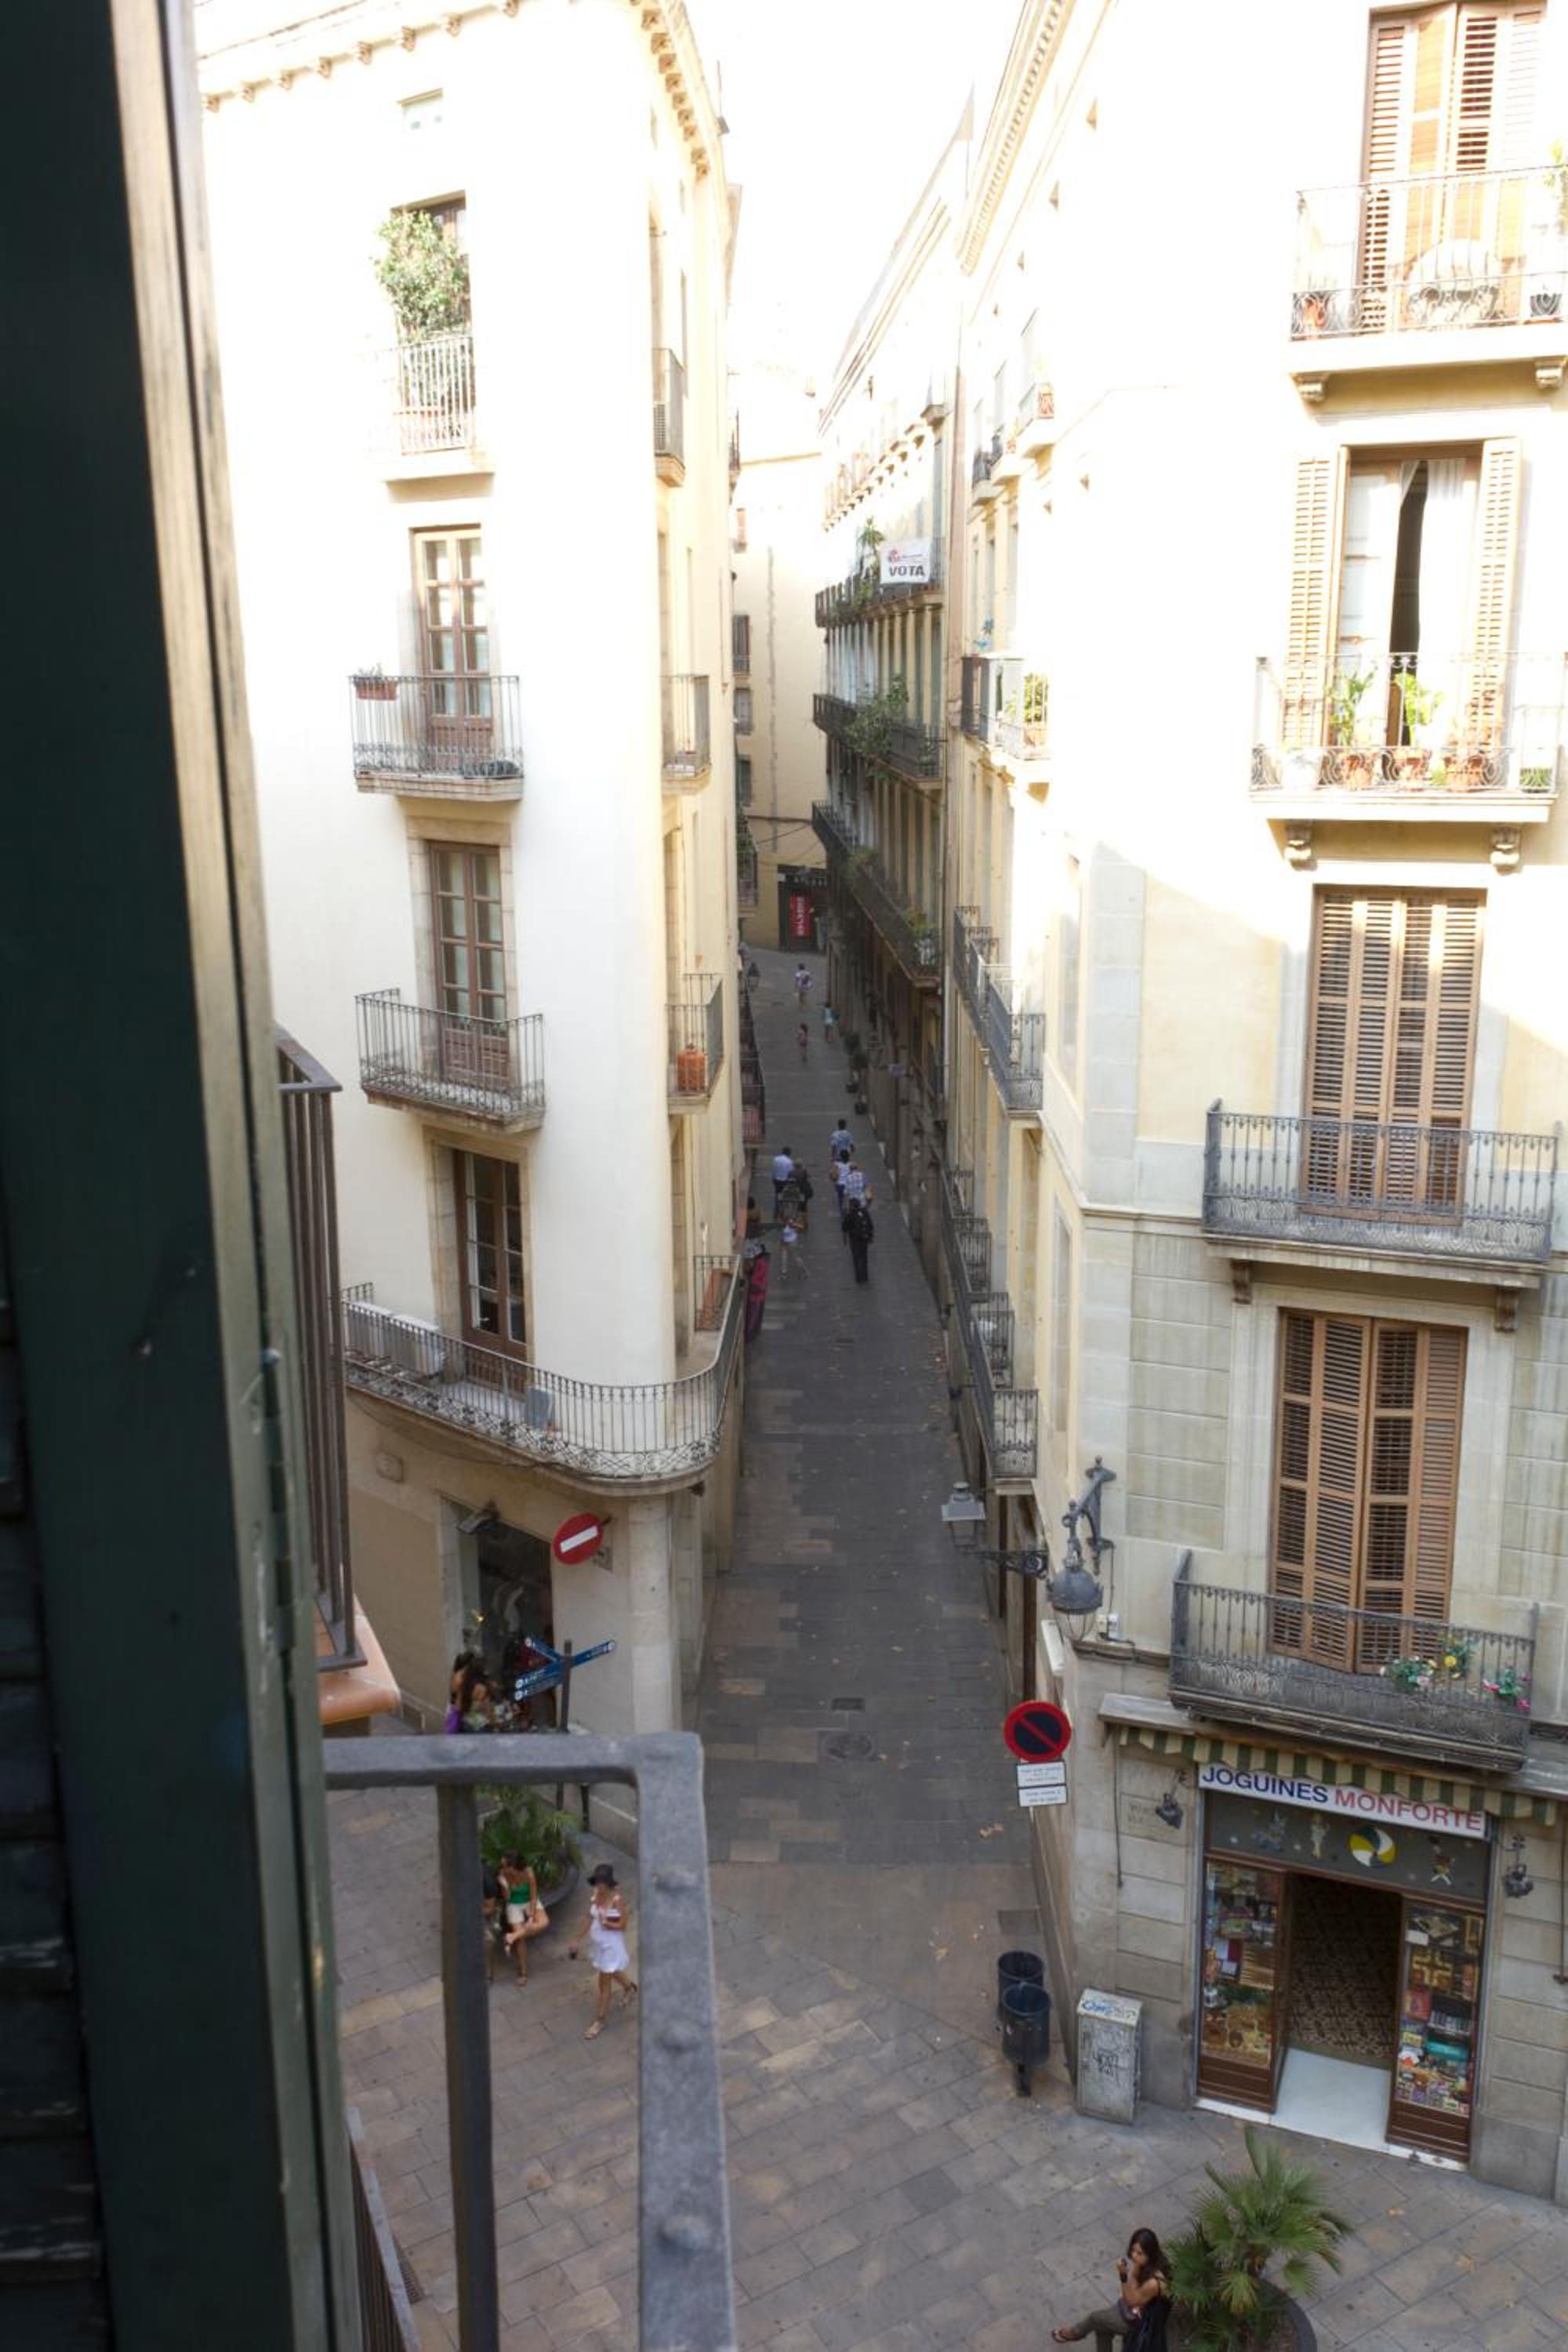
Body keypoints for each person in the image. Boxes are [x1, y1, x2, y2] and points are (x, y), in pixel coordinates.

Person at [1052, 2227, 1171, 2350]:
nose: (1134, 2256)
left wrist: (1123, 2276)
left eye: (1139, 2253)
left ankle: (1073, 2334)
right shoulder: (1151, 2262)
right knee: (1102, 2329)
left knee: (1095, 2318)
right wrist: (1136, 2269)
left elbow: (1130, 2300)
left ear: (1150, 2254)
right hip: (1136, 2308)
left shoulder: (1153, 2283)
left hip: (1136, 2323)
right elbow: (1135, 2287)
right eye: (1133, 2250)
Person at [568, 1862, 637, 2039]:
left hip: (610, 1947)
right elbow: (589, 1917)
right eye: (597, 1882)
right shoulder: (596, 1894)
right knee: (611, 1971)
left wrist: (607, 1924)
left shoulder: (616, 1901)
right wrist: (576, 1938)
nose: (598, 1886)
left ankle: (599, 2021)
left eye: (601, 1883)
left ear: (608, 1883)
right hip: (599, 1945)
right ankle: (630, 1988)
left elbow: (623, 1925)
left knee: (604, 1983)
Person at [496, 1855, 550, 1984]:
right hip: (513, 1904)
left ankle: (512, 1936)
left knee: (545, 1922)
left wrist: (531, 1917)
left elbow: (534, 1896)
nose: (502, 1868)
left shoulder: (529, 1873)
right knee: (521, 1940)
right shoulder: (503, 1876)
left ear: (513, 1867)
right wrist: (504, 1885)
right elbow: (507, 1898)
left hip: (529, 1901)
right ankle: (523, 1971)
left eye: (504, 1866)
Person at [444, 1648, 479, 1733]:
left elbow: (453, 1692)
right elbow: (454, 1692)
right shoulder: (460, 1677)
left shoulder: (461, 1676)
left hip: (460, 1711)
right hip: (458, 1711)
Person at [844, 1195, 874, 1285]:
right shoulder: (865, 1212)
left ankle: (859, 1278)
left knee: (856, 1259)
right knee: (864, 1257)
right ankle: (865, 1277)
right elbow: (870, 1225)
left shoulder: (850, 1214)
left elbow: (845, 1227)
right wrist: (870, 1237)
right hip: (864, 1238)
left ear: (851, 1206)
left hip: (855, 1240)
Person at [771, 1145, 794, 1218]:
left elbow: (773, 1170)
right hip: (784, 1181)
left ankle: (776, 1213)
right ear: (789, 1153)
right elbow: (790, 1173)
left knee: (777, 1196)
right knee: (784, 1198)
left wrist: (774, 1178)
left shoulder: (776, 1159)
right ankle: (783, 1214)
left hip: (776, 1180)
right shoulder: (789, 1162)